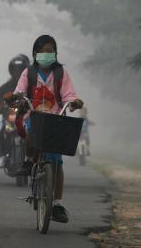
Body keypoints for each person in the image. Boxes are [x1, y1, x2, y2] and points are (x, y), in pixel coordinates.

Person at [8, 35, 84, 223]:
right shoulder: (29, 73)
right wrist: (15, 98)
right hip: (32, 115)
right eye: (42, 51)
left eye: (50, 51)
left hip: (55, 118)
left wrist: (74, 103)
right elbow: (19, 91)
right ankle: (28, 161)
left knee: (57, 163)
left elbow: (69, 95)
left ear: (55, 53)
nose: (46, 54)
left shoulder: (61, 74)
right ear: (35, 53)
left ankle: (57, 204)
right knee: (31, 133)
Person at [0, 54, 30, 174]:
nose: (18, 72)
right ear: (11, 70)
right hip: (9, 118)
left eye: (21, 70)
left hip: (28, 118)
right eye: (15, 70)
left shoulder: (32, 85)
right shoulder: (4, 87)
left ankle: (41, 160)